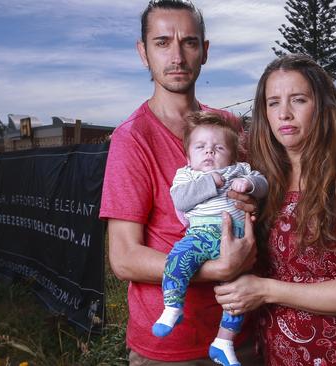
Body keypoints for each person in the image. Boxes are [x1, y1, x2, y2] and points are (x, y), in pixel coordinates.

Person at [99, 1, 262, 364]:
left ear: (204, 51)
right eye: (161, 43)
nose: (176, 55)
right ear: (143, 53)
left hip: (241, 331)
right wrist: (216, 270)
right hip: (170, 349)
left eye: (188, 42)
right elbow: (124, 258)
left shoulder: (229, 127)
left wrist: (253, 203)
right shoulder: (133, 137)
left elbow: (253, 196)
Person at [213, 54, 336, 365]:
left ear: (323, 107)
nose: (284, 113)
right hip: (277, 352)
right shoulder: (265, 182)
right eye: (273, 103)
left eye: (298, 100)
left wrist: (265, 290)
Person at [152, 112, 268, 366]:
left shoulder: (239, 170)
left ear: (233, 155)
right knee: (177, 260)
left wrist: (248, 184)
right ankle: (172, 307)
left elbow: (263, 184)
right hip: (200, 236)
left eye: (218, 148)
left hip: (235, 240)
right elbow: (181, 200)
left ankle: (223, 342)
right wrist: (210, 183)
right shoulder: (187, 176)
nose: (209, 153)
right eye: (201, 147)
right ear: (188, 155)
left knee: (237, 295)